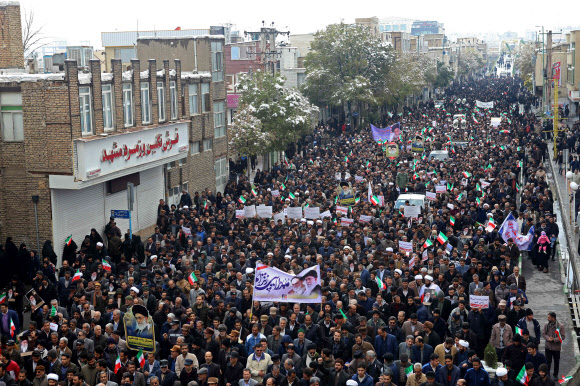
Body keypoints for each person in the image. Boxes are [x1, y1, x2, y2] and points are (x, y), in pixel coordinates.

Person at [541, 312, 564, 378]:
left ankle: (555, 375)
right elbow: (543, 333)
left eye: (549, 317)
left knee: (556, 362)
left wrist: (554, 339)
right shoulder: (546, 325)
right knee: (548, 362)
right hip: (548, 347)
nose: (548, 319)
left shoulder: (560, 326)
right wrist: (548, 338)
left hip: (556, 348)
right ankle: (547, 375)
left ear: (553, 318)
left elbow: (563, 337)